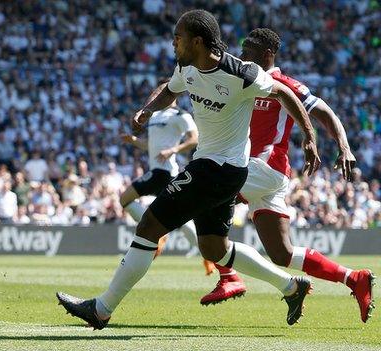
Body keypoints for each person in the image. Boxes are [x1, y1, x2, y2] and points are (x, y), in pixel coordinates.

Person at [56, 9, 321, 328]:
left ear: (197, 41)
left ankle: (101, 308)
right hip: (221, 170)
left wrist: (309, 135)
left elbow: (283, 92)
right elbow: (171, 88)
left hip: (218, 169)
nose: (173, 42)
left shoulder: (241, 73)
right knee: (214, 247)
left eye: (178, 37)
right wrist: (148, 110)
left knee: (149, 226)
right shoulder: (187, 66)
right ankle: (292, 287)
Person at [198, 28, 375, 323]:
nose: (242, 54)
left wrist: (343, 147)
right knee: (282, 254)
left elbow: (326, 113)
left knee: (201, 196)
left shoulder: (284, 84)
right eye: (241, 48)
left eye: (249, 48)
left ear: (268, 53)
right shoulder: (242, 79)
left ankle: (229, 276)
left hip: (262, 166)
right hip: (266, 177)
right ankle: (354, 279)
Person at [119, 84, 206, 265]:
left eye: (161, 91)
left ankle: (158, 232)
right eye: (157, 91)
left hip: (165, 172)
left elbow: (194, 139)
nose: (157, 94)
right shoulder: (155, 116)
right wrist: (134, 141)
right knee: (178, 218)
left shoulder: (181, 115)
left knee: (125, 199)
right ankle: (206, 253)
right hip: (156, 170)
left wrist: (173, 150)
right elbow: (149, 145)